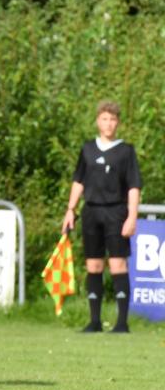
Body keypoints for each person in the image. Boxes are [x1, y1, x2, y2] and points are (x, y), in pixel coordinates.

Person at [61, 101, 141, 333]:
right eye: (105, 119)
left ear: (118, 123)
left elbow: (133, 187)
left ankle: (122, 323)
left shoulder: (126, 151)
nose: (109, 123)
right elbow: (78, 181)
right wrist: (70, 210)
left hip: (116, 212)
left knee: (117, 264)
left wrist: (132, 217)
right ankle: (94, 321)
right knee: (93, 265)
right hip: (91, 211)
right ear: (98, 121)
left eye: (113, 119)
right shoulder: (88, 149)